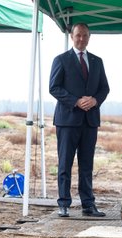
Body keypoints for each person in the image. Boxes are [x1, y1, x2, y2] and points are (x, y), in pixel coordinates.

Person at [49, 23, 110, 217]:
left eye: (84, 36)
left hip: (90, 121)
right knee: (65, 163)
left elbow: (104, 88)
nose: (81, 39)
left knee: (87, 165)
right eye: (78, 36)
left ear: (89, 37)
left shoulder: (97, 61)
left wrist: (94, 100)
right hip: (67, 121)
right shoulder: (61, 60)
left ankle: (88, 205)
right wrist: (76, 101)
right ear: (72, 36)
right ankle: (64, 204)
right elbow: (54, 87)